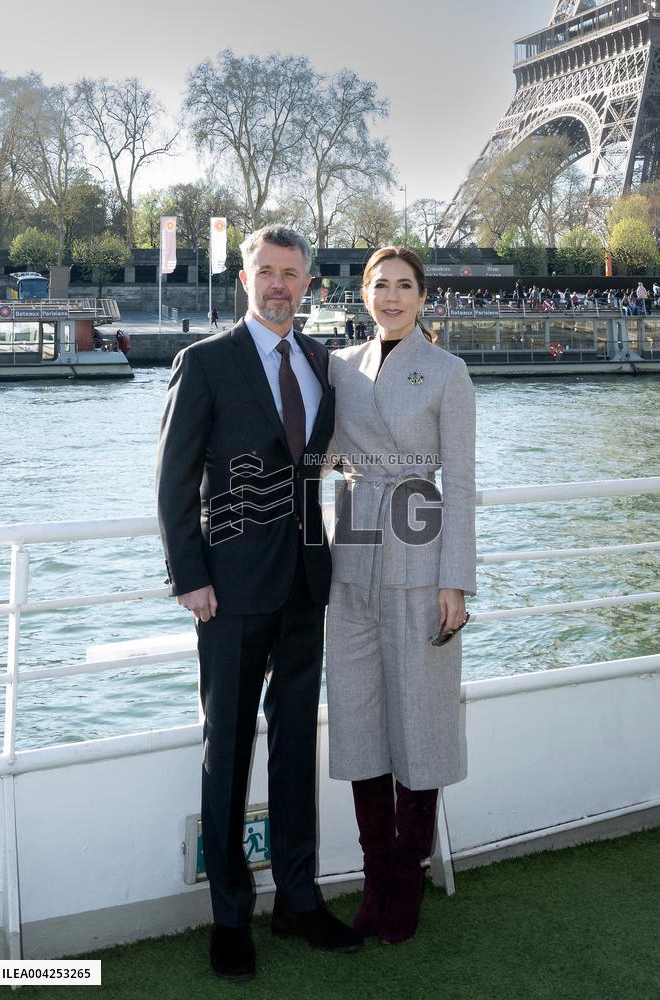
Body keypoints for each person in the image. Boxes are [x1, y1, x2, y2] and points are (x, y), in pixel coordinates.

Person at [156, 225, 360, 983]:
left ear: (309, 283)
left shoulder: (319, 363)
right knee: (230, 748)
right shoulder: (203, 363)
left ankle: (299, 901)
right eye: (267, 272)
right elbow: (175, 482)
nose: (279, 285)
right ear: (246, 279)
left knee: (295, 747)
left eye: (292, 274)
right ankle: (230, 916)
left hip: (308, 585)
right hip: (230, 591)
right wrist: (189, 576)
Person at [326, 246, 476, 946]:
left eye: (404, 287)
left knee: (420, 718)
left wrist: (457, 580)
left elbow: (464, 485)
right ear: (363, 294)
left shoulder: (449, 372)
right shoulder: (339, 367)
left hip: (420, 543)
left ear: (423, 297)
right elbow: (313, 450)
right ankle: (374, 871)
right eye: (379, 286)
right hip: (351, 547)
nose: (391, 297)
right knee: (358, 716)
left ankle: (406, 875)